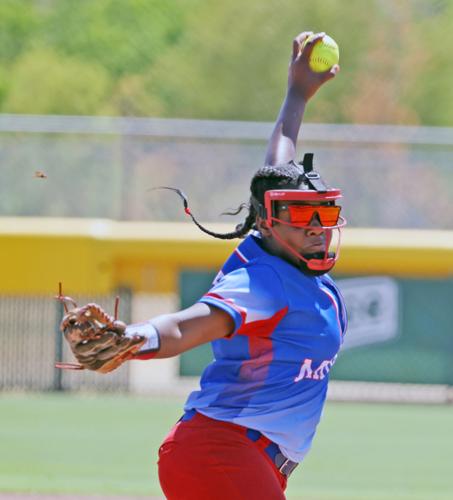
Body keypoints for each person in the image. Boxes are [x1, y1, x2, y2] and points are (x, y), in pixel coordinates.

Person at [58, 31, 344, 500]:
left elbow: (278, 167)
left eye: (325, 214)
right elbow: (188, 326)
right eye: (301, 216)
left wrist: (297, 94)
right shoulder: (261, 282)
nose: (316, 227)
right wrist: (136, 338)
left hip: (241, 460)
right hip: (221, 453)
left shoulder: (283, 252)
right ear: (269, 221)